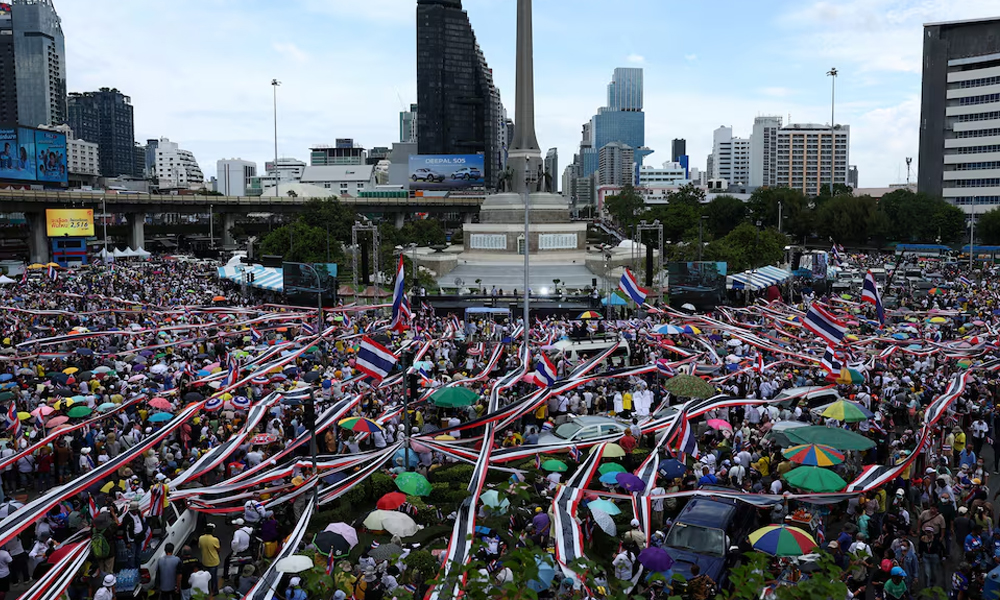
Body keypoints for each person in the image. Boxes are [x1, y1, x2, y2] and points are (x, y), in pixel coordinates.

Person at [197, 523, 220, 596]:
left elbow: (199, 547)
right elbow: (218, 549)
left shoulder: (201, 538)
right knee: (214, 578)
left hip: (205, 561)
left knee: (205, 578)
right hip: (214, 561)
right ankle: (215, 591)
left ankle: (205, 590)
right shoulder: (214, 540)